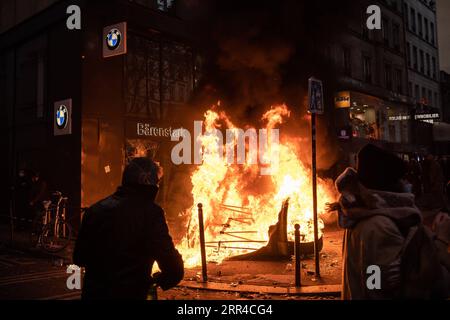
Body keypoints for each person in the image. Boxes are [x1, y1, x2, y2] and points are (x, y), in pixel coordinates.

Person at [336, 144, 450, 299]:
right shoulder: (379, 227)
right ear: (391, 184)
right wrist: (442, 239)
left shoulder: (362, 215)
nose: (407, 183)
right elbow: (378, 287)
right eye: (401, 179)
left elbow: (372, 277)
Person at [73, 157, 184, 299]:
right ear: (148, 183)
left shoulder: (95, 210)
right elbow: (173, 268)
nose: (157, 186)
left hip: (94, 294)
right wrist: (156, 281)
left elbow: (79, 257)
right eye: (157, 182)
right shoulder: (151, 213)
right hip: (130, 294)